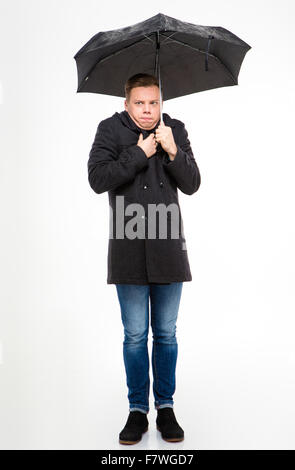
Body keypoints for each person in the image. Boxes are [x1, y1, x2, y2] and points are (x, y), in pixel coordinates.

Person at [87, 73, 201, 445]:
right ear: (127, 104)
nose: (147, 110)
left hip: (168, 246)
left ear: (161, 103)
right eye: (140, 102)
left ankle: (165, 408)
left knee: (166, 334)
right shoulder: (109, 130)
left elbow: (193, 182)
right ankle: (138, 410)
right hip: (129, 247)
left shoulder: (175, 130)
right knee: (135, 335)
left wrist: (172, 150)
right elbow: (98, 178)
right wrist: (140, 153)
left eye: (153, 102)